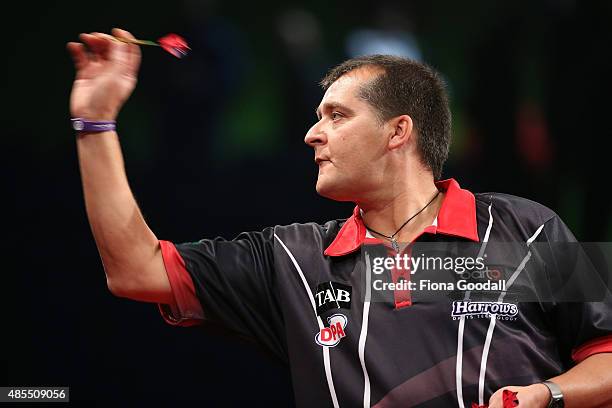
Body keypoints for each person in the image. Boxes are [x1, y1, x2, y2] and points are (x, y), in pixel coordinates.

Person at [67, 28, 612, 408]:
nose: (312, 134)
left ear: (398, 132)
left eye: (336, 115)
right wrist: (94, 121)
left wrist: (549, 395)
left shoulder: (529, 227)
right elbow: (134, 270)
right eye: (316, 116)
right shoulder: (290, 260)